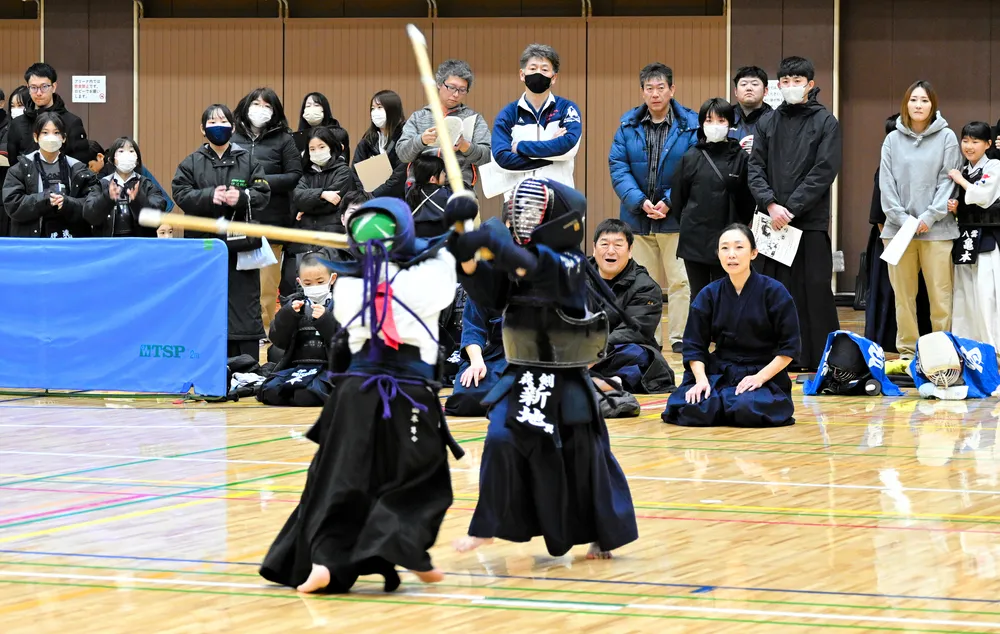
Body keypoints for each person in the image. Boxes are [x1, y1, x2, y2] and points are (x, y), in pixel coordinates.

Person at [259, 196, 463, 594]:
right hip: (407, 392)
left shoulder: (350, 283)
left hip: (353, 392)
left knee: (340, 476)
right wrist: (458, 228)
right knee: (420, 477)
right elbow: (443, 275)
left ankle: (324, 558)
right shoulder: (426, 279)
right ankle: (408, 548)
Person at [446, 178, 638, 560]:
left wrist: (497, 244)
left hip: (565, 376)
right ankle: (485, 528)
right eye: (520, 211)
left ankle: (603, 533)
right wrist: (462, 244)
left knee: (585, 456)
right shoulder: (510, 258)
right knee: (500, 440)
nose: (523, 219)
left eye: (533, 212)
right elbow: (488, 293)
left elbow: (533, 267)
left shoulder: (569, 263)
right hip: (521, 375)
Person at [748, 56, 841, 371]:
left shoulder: (826, 121)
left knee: (813, 289)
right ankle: (771, 358)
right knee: (771, 289)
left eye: (797, 81)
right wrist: (771, 204)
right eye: (785, 82)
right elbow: (755, 167)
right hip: (771, 222)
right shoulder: (767, 122)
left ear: (810, 85)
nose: (791, 87)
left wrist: (792, 207)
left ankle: (819, 358)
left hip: (809, 222)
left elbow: (824, 170)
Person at [662, 224, 800, 428]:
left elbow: (790, 348)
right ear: (718, 255)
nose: (731, 255)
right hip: (721, 370)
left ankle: (726, 405)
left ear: (754, 253)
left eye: (739, 247)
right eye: (724, 248)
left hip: (763, 372)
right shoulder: (709, 294)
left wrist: (759, 378)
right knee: (691, 406)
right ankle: (720, 403)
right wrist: (701, 380)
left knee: (746, 407)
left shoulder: (775, 292)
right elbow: (694, 346)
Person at [609, 62, 699, 353]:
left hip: (676, 218)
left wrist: (670, 201)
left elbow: (693, 168)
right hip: (638, 218)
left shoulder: (691, 125)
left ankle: (679, 337)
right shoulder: (627, 125)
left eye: (662, 87)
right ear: (642, 92)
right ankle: (647, 336)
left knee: (680, 282)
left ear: (672, 89)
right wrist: (640, 201)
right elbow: (618, 167)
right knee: (642, 283)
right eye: (650, 88)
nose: (656, 93)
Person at [171, 103, 271, 359]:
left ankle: (247, 361)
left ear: (233, 127)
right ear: (202, 129)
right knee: (205, 297)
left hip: (241, 246)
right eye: (212, 123)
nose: (218, 127)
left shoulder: (248, 160)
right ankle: (205, 356)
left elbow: (263, 193)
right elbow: (180, 193)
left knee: (244, 298)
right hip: (203, 244)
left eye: (223, 122)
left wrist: (241, 196)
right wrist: (209, 196)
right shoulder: (191, 162)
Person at [879, 79, 960, 358]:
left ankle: (942, 351)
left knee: (940, 295)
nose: (918, 105)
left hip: (936, 230)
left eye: (924, 100)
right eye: (914, 99)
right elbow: (886, 185)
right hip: (898, 231)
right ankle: (907, 352)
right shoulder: (892, 139)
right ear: (906, 103)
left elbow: (948, 181)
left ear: (933, 105)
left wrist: (929, 217)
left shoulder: (947, 137)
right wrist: (904, 221)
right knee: (903, 297)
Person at [232, 87, 303, 332]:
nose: (261, 111)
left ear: (275, 112)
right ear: (246, 106)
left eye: (267, 106)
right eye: (256, 104)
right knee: (237, 281)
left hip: (272, 221)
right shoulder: (232, 137)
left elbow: (294, 175)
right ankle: (238, 331)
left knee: (267, 285)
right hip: (238, 221)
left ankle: (264, 333)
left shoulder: (284, 139)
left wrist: (260, 183)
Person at [674, 97, 756, 300]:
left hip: (729, 239)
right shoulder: (690, 156)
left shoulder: (741, 158)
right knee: (699, 295)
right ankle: (699, 333)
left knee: (728, 293)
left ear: (730, 124)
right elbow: (678, 199)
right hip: (695, 240)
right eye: (709, 121)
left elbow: (748, 201)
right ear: (702, 124)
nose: (715, 126)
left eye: (721, 121)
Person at [865, 114, 932, 352]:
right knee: (893, 293)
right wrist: (890, 243)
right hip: (892, 239)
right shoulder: (884, 169)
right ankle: (891, 341)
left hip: (921, 238)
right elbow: (878, 214)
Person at [587, 218, 675, 395]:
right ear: (594, 248)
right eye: (604, 244)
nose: (610, 251)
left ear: (630, 251)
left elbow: (633, 330)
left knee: (639, 355)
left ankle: (613, 382)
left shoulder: (646, 287)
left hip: (614, 351)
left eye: (618, 245)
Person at [443, 217, 512, 418]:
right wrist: (476, 362)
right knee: (465, 396)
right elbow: (473, 329)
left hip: (520, 358)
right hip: (489, 357)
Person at [491, 44, 582, 188]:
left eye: (544, 69)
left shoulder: (567, 109)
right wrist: (551, 151)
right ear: (522, 74)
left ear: (554, 77)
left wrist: (519, 147)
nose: (538, 73)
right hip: (518, 198)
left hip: (559, 196)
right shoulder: (508, 114)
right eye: (533, 68)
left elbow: (568, 149)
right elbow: (501, 159)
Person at [258, 253, 343, 407]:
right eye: (308, 283)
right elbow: (278, 341)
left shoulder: (343, 305)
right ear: (300, 282)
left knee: (307, 394)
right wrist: (288, 316)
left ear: (332, 278)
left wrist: (326, 321)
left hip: (328, 368)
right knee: (270, 391)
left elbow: (348, 345)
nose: (314, 287)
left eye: (320, 281)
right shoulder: (294, 304)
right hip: (298, 366)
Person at [282, 127, 356, 295]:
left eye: (321, 147)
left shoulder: (343, 171)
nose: (317, 152)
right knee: (300, 289)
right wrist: (322, 194)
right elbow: (297, 196)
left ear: (331, 146)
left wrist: (306, 207)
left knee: (333, 289)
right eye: (312, 149)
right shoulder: (304, 174)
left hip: (332, 240)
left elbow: (333, 203)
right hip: (304, 242)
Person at [396, 59, 491, 189]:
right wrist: (421, 140)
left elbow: (487, 157)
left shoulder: (474, 119)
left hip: (460, 188)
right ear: (439, 84)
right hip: (421, 188)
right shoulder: (419, 117)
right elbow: (402, 154)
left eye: (462, 90)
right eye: (451, 87)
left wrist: (465, 146)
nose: (456, 94)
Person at [2, 112, 98, 238]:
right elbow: (12, 204)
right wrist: (45, 199)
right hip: (34, 241)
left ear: (64, 138)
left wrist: (68, 203)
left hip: (70, 240)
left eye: (56, 132)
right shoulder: (20, 168)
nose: (51, 137)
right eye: (45, 132)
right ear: (36, 137)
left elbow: (93, 204)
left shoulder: (78, 169)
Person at [947, 121, 1000, 348]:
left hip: (988, 238)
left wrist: (960, 180)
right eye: (966, 140)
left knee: (986, 295)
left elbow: (984, 196)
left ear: (988, 144)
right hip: (966, 237)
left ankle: (992, 349)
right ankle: (967, 346)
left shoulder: (994, 166)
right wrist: (957, 208)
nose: (969, 146)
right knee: (964, 295)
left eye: (975, 141)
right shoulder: (965, 168)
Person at [84, 137, 168, 237]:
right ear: (112, 160)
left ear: (137, 159)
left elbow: (157, 217)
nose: (126, 155)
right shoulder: (102, 184)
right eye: (121, 151)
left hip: (139, 246)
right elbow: (89, 215)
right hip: (109, 246)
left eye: (131, 151)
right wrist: (106, 197)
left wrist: (138, 199)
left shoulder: (147, 184)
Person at [6, 63, 89, 164]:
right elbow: (14, 164)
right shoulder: (17, 123)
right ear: (28, 88)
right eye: (33, 87)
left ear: (54, 87)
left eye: (44, 87)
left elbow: (80, 164)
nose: (39, 93)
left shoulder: (72, 122)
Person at [351, 90, 408, 200]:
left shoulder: (404, 138)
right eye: (372, 109)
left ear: (393, 110)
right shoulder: (368, 139)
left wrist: (374, 194)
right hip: (368, 199)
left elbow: (399, 176)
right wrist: (365, 195)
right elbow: (355, 170)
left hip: (397, 199)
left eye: (379, 107)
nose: (375, 112)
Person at [404, 150, 450, 237]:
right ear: (432, 179)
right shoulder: (445, 193)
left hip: (416, 233)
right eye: (442, 172)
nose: (445, 174)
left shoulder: (411, 191)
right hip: (440, 234)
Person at [293, 92, 350, 163]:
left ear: (324, 109)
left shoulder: (337, 133)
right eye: (308, 106)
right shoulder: (299, 136)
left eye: (316, 105)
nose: (312, 109)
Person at [729, 66, 773, 154]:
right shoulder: (725, 117)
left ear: (765, 91)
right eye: (743, 84)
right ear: (735, 92)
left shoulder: (775, 119)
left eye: (755, 84)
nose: (749, 88)